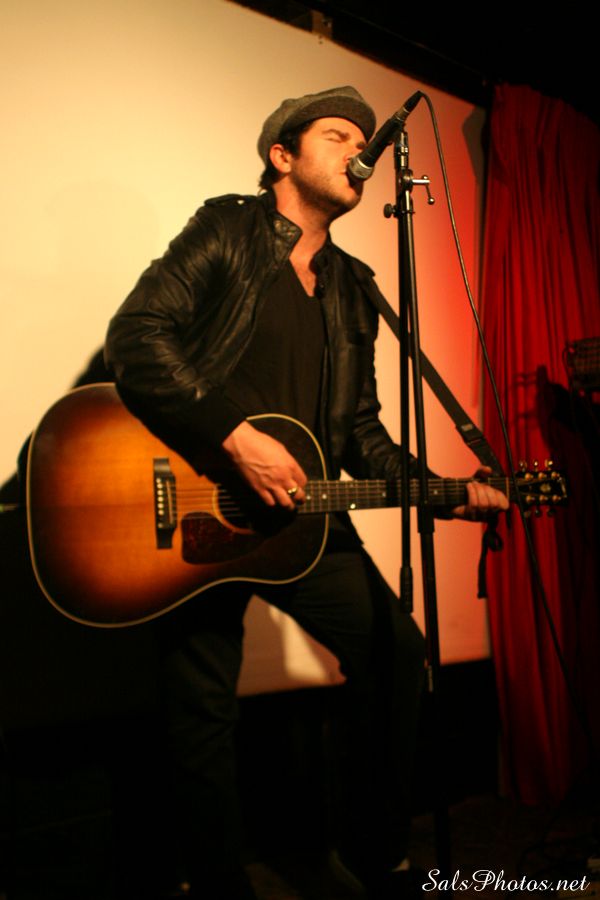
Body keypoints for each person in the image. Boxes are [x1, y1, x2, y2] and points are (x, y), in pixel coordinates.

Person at [104, 86, 508, 900]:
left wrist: (445, 492)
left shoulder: (355, 286)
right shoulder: (228, 229)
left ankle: (373, 854)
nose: (358, 150)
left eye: (363, 140)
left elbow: (359, 435)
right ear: (281, 156)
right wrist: (232, 435)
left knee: (395, 655)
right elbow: (137, 334)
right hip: (196, 504)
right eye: (336, 135)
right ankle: (218, 883)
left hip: (305, 522)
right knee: (201, 705)